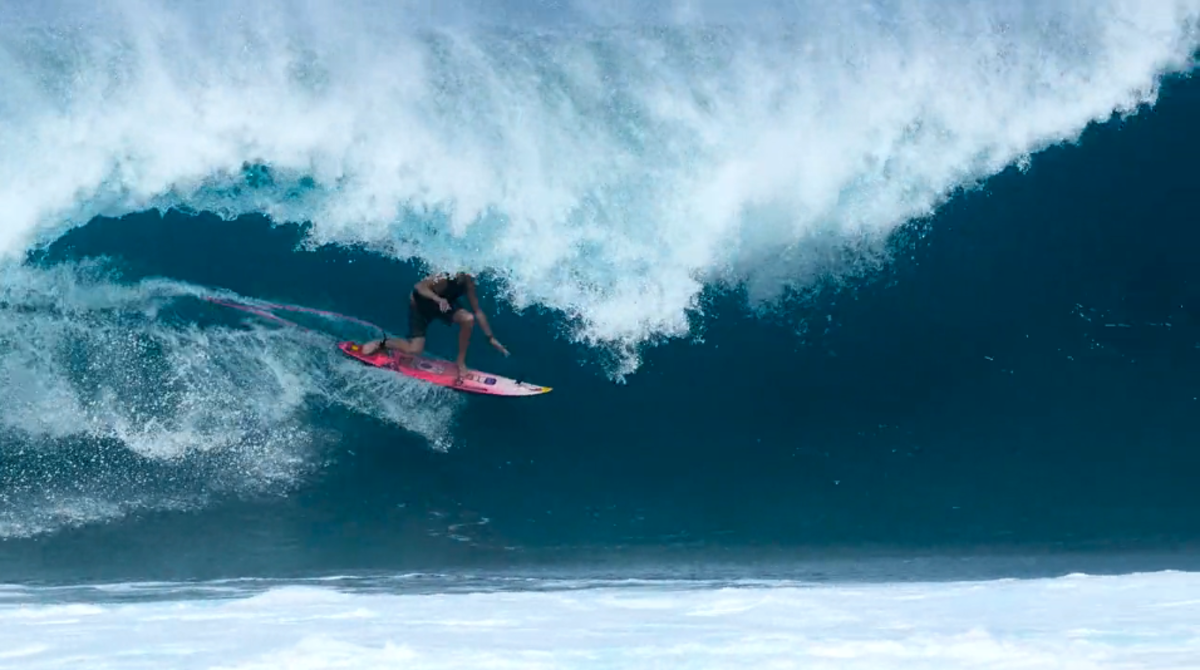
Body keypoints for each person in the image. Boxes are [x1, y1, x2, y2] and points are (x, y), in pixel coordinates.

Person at [359, 271, 509, 379]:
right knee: (414, 349)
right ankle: (381, 343)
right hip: (421, 305)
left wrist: (490, 337)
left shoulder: (468, 281)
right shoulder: (445, 274)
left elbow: (478, 311)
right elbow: (419, 286)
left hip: (444, 306)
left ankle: (460, 362)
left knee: (468, 319)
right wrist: (438, 299)